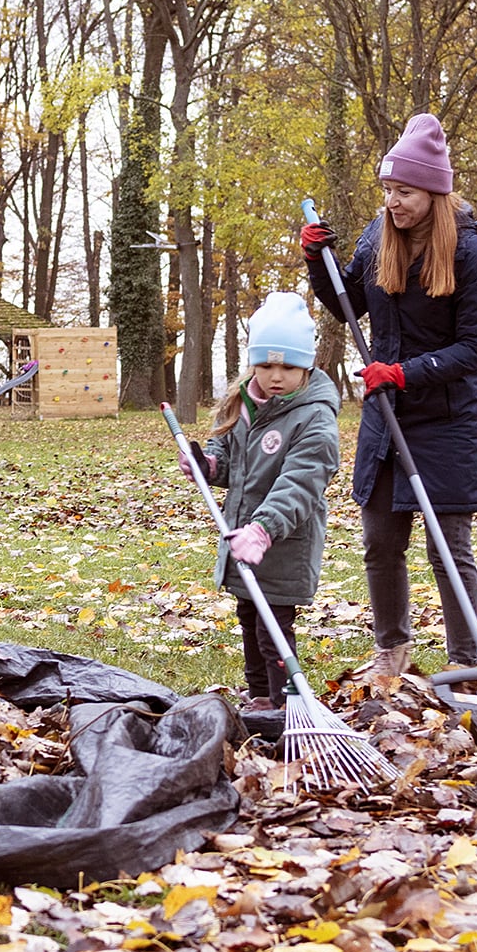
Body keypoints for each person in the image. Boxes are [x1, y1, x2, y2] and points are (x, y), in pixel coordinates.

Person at [303, 113, 477, 678]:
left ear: (435, 192)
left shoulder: (470, 255)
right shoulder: (376, 236)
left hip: (447, 419)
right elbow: (346, 306)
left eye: (405, 191)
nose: (393, 202)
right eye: (388, 189)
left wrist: (406, 373)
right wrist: (318, 261)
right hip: (385, 415)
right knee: (379, 542)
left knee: (448, 547)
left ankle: (468, 661)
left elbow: (476, 349)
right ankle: (390, 652)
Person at [182, 293, 340, 732]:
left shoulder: (314, 418)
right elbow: (230, 456)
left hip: (283, 542)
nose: (275, 376)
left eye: (287, 367)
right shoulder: (244, 403)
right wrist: (208, 466)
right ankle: (260, 696)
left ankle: (285, 702)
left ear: (306, 366)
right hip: (242, 538)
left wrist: (264, 529)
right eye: (266, 366)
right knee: (249, 616)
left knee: (273, 626)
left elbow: (302, 483)